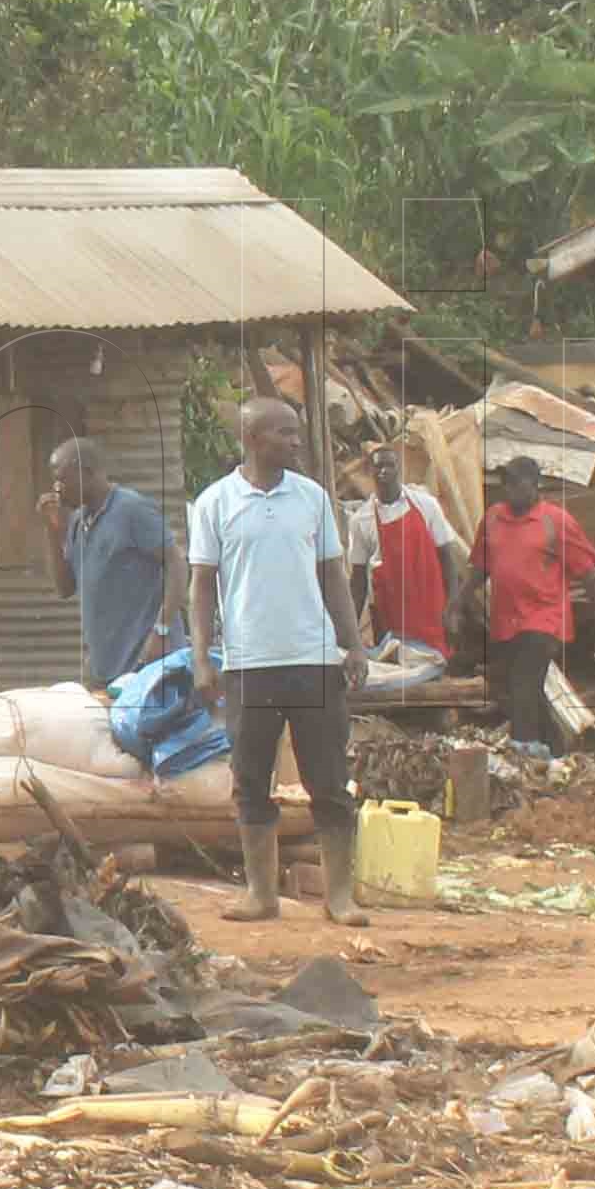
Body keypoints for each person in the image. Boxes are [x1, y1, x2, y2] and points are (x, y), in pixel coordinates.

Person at [187, 394, 366, 925]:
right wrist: (201, 658)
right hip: (248, 664)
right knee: (250, 781)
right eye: (284, 432)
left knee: (328, 781)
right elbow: (202, 587)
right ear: (252, 439)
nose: (296, 441)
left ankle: (340, 896)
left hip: (314, 661)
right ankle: (261, 894)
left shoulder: (313, 498)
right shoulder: (215, 503)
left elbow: (333, 576)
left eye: (296, 431)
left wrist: (353, 643)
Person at [460, 455, 595, 755]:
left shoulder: (556, 522)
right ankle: (557, 750)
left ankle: (522, 749)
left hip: (545, 618)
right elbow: (480, 568)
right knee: (524, 688)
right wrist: (455, 603)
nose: (510, 489)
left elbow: (589, 576)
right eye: (506, 483)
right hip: (506, 620)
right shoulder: (493, 519)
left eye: (517, 482)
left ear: (535, 484)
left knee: (524, 680)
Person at [40, 437, 180, 688]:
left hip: (146, 663)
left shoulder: (131, 509)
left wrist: (162, 630)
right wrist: (52, 531)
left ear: (86, 472)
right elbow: (64, 588)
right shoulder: (78, 521)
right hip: (104, 667)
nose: (56, 488)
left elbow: (177, 564)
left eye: (62, 479)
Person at [344, 435, 464, 658]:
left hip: (430, 607)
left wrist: (452, 607)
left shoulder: (426, 505)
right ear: (370, 471)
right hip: (390, 614)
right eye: (378, 466)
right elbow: (358, 579)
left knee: (434, 663)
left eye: (390, 465)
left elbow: (447, 558)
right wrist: (348, 631)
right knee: (395, 666)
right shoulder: (361, 520)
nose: (384, 471)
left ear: (400, 469)